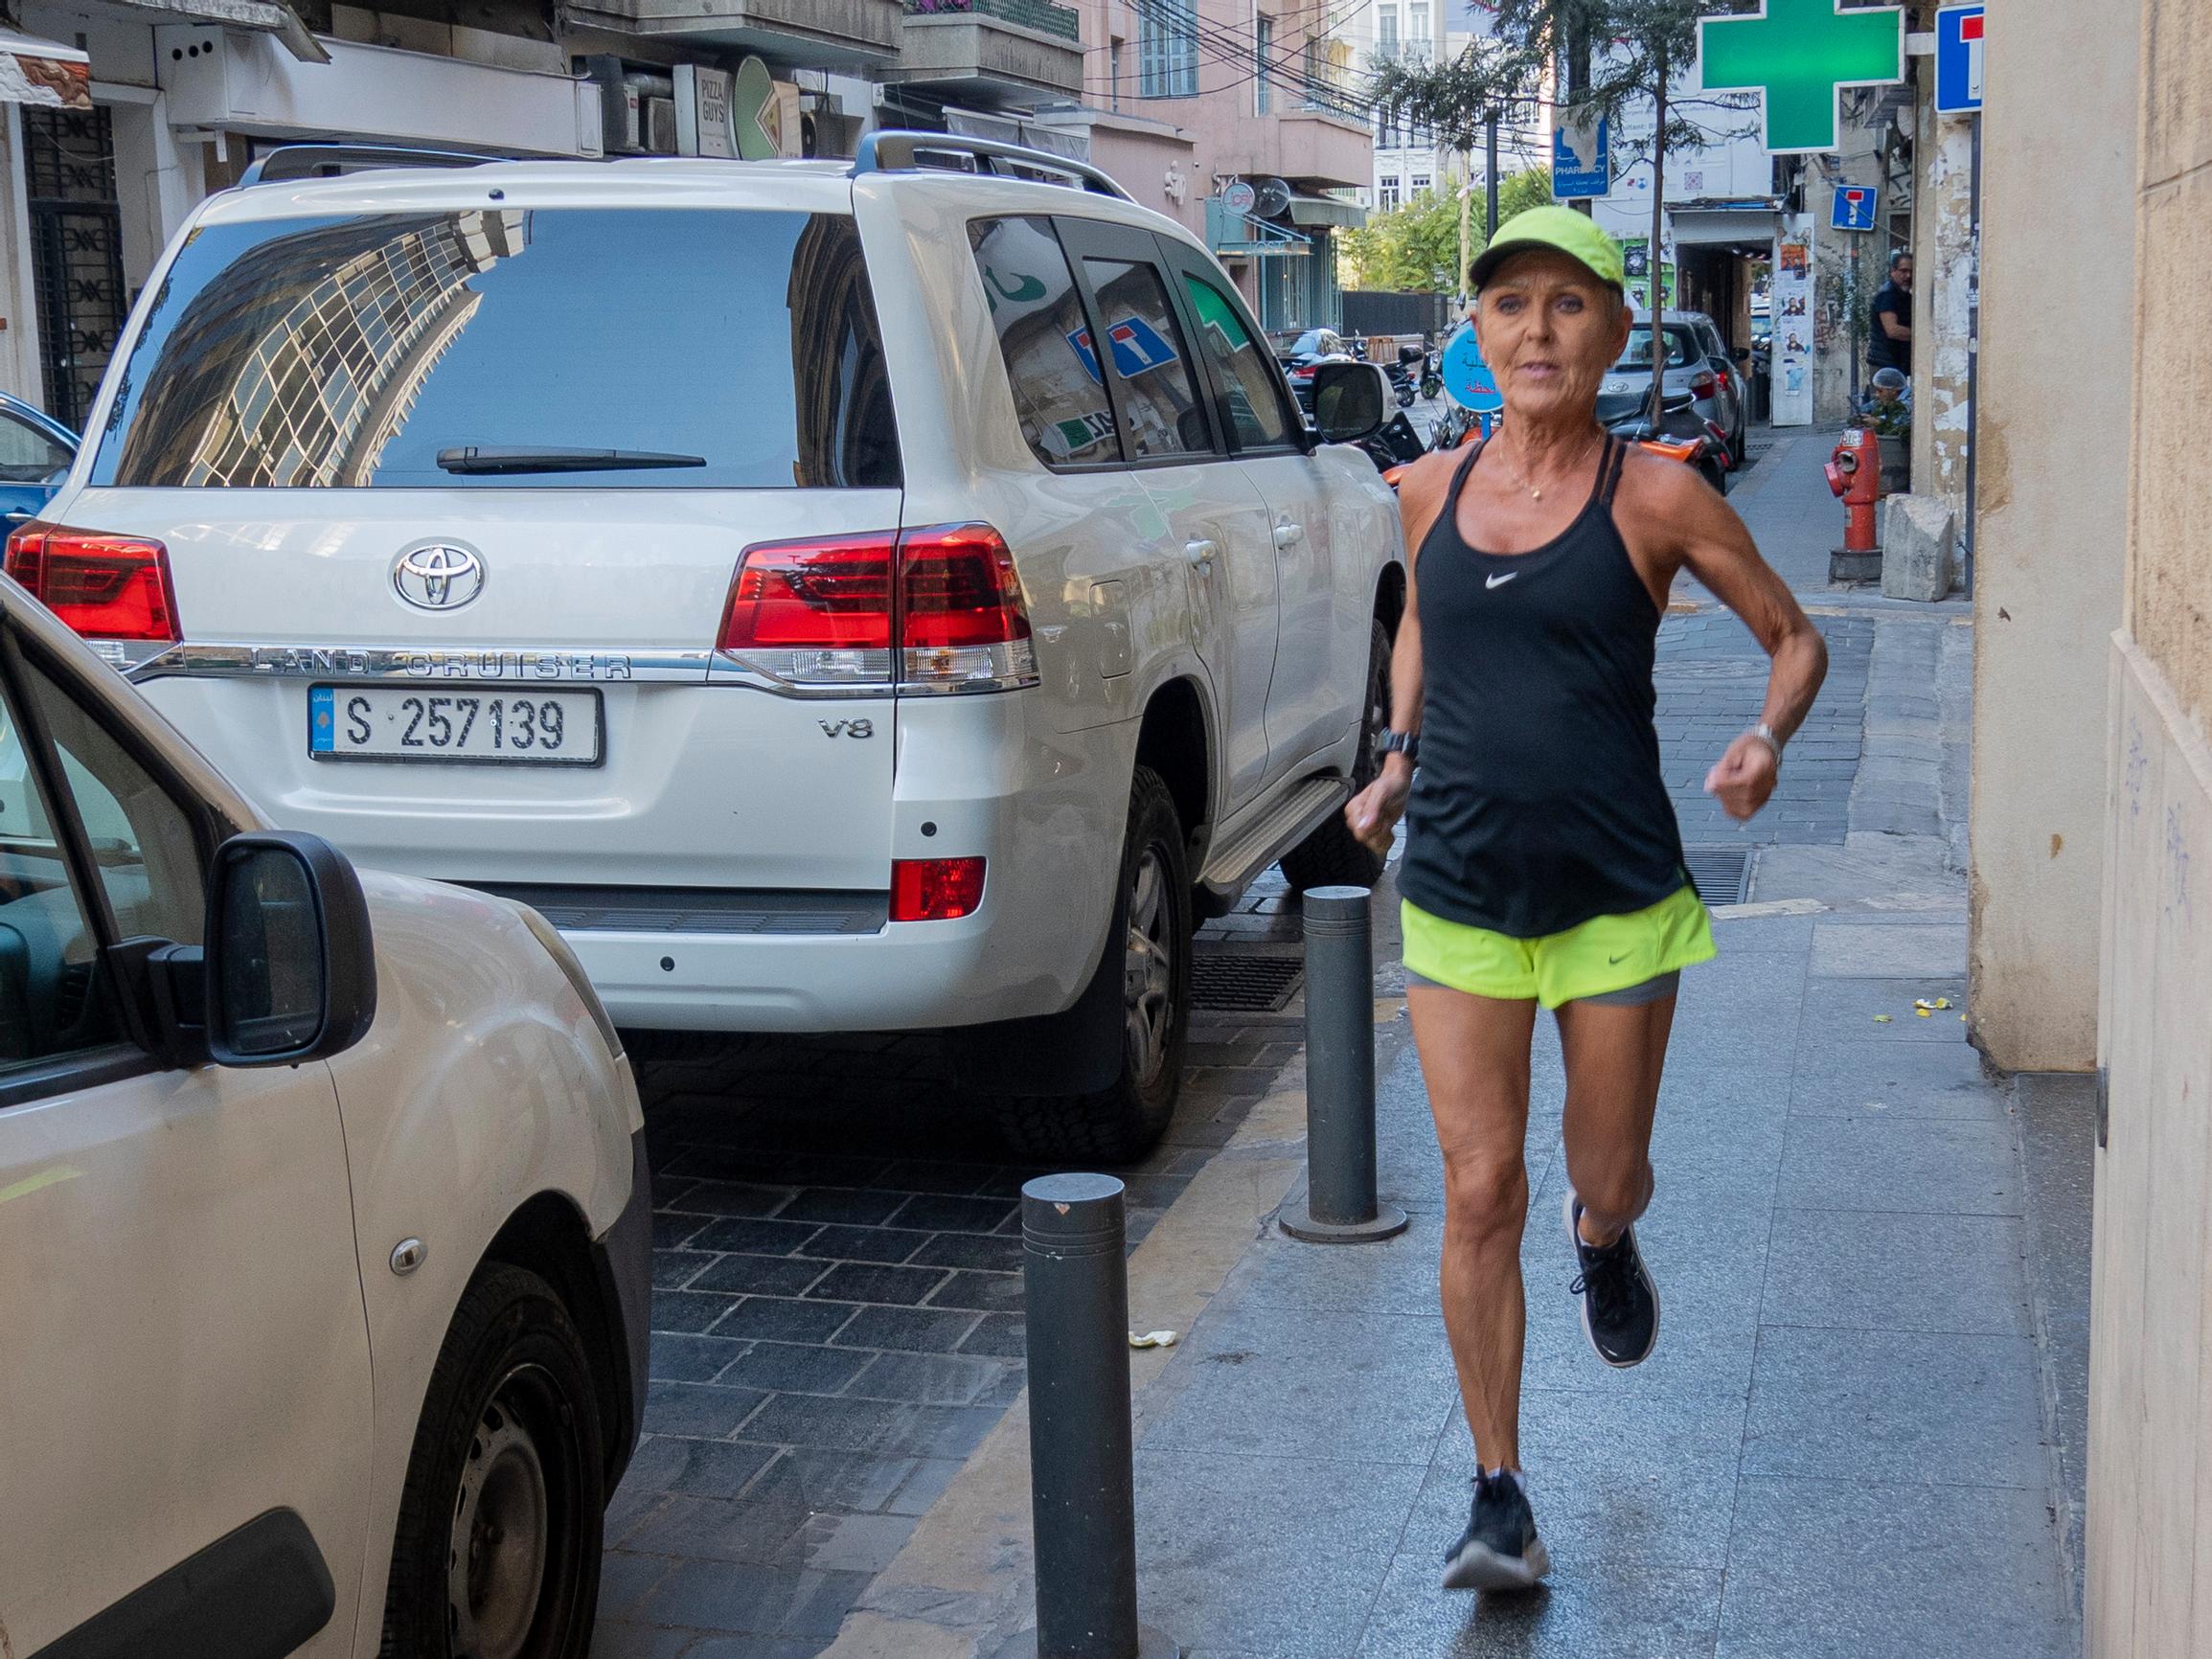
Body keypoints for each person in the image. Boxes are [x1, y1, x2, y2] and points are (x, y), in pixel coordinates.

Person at [1343, 207, 1829, 1593]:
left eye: (1568, 306)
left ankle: (1605, 1236)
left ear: (1614, 332)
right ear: (1476, 334)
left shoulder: (1657, 495)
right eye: (1509, 306)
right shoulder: (1428, 489)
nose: (1537, 331)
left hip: (1616, 891)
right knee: (1477, 1184)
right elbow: (1429, 620)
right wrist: (1396, 756)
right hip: (1456, 888)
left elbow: (1793, 638)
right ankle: (1498, 1493)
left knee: (1597, 1173)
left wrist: (1766, 739)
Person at [1867, 249, 1913, 377]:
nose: (1908, 276)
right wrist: (1921, 336)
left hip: (1897, 363)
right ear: (1893, 271)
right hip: (1885, 365)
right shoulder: (1888, 295)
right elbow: (1892, 330)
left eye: (1911, 271)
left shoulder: (1905, 296)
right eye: (1903, 271)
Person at [1861, 365, 1911, 438]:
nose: (1877, 395)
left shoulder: (1908, 403)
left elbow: (1897, 426)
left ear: (1893, 390)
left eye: (1880, 391)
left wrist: (1878, 423)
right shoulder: (1890, 398)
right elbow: (1870, 406)